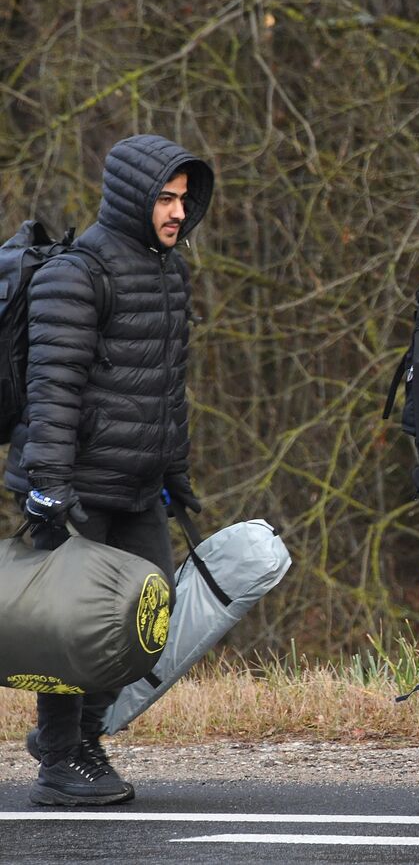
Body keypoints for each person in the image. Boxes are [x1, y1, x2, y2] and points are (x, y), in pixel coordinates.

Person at [12, 134, 212, 806]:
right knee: (73, 630)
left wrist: (175, 470)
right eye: (165, 196)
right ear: (133, 195)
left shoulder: (169, 273)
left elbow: (166, 386)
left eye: (184, 199)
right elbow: (53, 384)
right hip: (73, 482)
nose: (178, 211)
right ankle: (63, 758)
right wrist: (49, 482)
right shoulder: (77, 272)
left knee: (147, 625)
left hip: (137, 482)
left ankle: (78, 736)